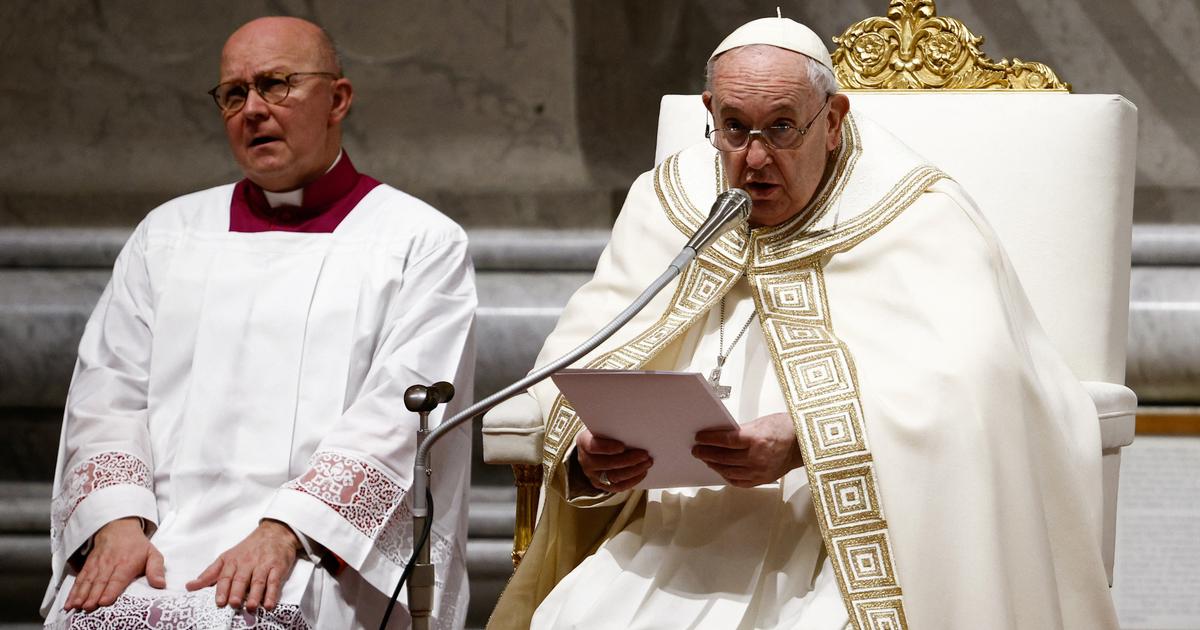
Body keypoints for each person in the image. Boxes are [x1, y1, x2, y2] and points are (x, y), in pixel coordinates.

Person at [488, 16, 1118, 630]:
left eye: (782, 129)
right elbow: (580, 359)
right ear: (710, 112)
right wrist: (590, 459)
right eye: (734, 129)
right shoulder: (668, 203)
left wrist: (806, 439)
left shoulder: (916, 214)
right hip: (669, 540)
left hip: (841, 543)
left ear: (834, 121)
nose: (754, 159)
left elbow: (982, 387)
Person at [42, 16, 475, 629]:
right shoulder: (168, 235)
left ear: (338, 99)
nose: (253, 109)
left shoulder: (418, 241)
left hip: (312, 547)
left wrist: (290, 529)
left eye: (277, 84)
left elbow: (401, 413)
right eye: (234, 93)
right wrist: (116, 521)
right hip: (155, 542)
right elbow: (106, 391)